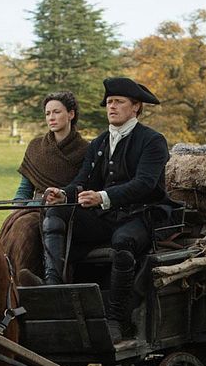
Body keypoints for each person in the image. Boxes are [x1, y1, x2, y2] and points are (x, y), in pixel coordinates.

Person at [41, 77, 169, 342]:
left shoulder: (153, 141)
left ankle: (116, 319)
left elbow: (145, 184)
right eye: (109, 102)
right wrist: (64, 193)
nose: (112, 107)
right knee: (54, 215)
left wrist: (102, 196)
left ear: (135, 107)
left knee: (123, 242)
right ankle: (54, 290)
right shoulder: (100, 142)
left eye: (118, 102)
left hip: (142, 215)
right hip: (106, 216)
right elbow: (82, 181)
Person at [0, 92, 89, 282]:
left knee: (26, 228)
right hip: (33, 206)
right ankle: (7, 279)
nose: (51, 118)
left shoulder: (85, 150)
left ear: (71, 114)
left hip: (66, 210)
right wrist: (17, 208)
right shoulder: (35, 146)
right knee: (19, 224)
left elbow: (85, 186)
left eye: (56, 112)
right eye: (48, 113)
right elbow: (25, 188)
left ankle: (30, 281)